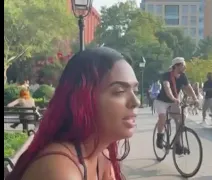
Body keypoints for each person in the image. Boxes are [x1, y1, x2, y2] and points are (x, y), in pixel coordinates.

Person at [6, 47, 140, 180]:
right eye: (119, 91)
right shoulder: (59, 169)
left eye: (136, 90)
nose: (136, 102)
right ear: (83, 99)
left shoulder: (101, 155)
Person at [154, 57, 198, 155]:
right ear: (176, 66)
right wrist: (173, 98)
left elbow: (188, 88)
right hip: (162, 101)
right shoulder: (166, 75)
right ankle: (159, 137)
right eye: (183, 65)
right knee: (163, 118)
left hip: (174, 102)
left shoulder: (183, 76)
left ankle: (177, 143)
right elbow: (167, 87)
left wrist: (195, 98)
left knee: (181, 120)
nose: (185, 67)